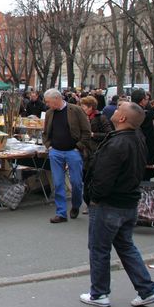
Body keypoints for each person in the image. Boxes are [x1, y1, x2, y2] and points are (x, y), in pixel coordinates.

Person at [80, 102, 154, 307]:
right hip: (127, 202)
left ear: (123, 118)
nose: (114, 112)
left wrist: (94, 198)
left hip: (110, 204)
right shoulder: (135, 139)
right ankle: (147, 289)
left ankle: (99, 294)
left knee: (99, 249)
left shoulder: (118, 144)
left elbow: (103, 179)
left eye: (118, 110)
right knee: (126, 246)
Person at [42, 88, 91, 223]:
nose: (47, 104)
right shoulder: (49, 113)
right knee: (58, 183)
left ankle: (76, 205)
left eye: (48, 101)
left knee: (76, 182)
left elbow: (86, 131)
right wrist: (49, 146)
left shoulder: (75, 110)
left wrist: (78, 147)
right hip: (56, 151)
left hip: (72, 151)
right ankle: (61, 213)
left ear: (57, 99)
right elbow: (45, 132)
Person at [131, 88, 154, 182]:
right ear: (142, 101)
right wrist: (150, 159)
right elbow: (149, 136)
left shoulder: (127, 111)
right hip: (142, 151)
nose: (148, 101)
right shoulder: (145, 114)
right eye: (146, 99)